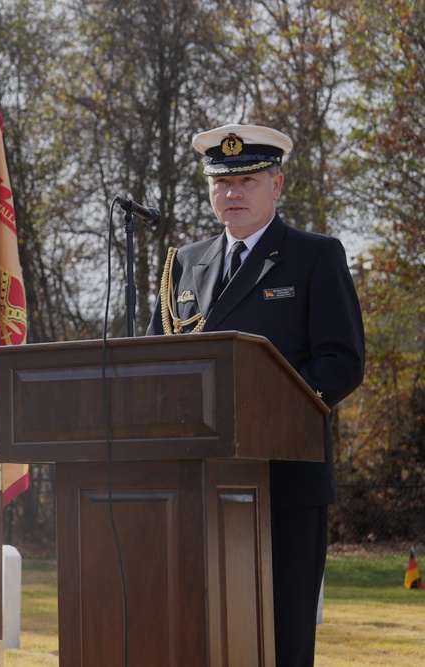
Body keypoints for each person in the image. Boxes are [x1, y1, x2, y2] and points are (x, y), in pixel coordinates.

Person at [146, 123, 365, 666]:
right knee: (206, 630)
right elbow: (155, 359)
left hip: (284, 476)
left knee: (282, 634)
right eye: (221, 184)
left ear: (278, 184)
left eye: (246, 180)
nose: (232, 194)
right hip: (196, 481)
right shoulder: (184, 263)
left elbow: (341, 361)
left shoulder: (315, 256)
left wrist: (270, 413)